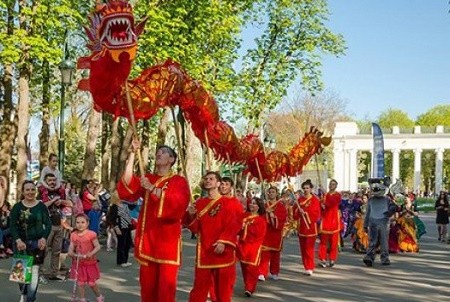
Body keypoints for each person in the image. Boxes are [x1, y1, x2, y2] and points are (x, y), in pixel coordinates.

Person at [117, 139, 190, 302]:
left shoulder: (178, 181)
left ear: (171, 160)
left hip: (168, 243)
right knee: (147, 287)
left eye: (163, 152)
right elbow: (127, 187)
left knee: (166, 289)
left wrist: (152, 188)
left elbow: (177, 205)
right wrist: (132, 154)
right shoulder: (148, 177)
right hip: (148, 240)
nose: (159, 153)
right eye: (158, 151)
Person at [183, 171, 241, 302]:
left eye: (211, 179)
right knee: (199, 287)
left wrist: (223, 241)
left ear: (218, 183)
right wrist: (191, 215)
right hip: (204, 251)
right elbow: (195, 228)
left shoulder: (230, 203)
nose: (207, 181)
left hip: (223, 250)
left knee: (223, 289)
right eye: (206, 179)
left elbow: (233, 225)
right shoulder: (199, 203)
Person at [10, 180, 52, 302]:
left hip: (36, 243)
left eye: (32, 189)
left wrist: (44, 238)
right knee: (20, 276)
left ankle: (30, 299)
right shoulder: (17, 207)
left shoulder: (41, 206)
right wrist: (17, 240)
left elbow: (48, 224)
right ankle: (23, 294)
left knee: (34, 271)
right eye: (27, 189)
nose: (30, 192)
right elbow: (12, 226)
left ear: (36, 191)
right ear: (23, 192)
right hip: (20, 244)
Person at [38, 173, 70, 281]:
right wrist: (52, 201)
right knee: (44, 250)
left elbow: (70, 203)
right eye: (50, 180)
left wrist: (62, 201)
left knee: (57, 250)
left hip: (58, 224)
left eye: (53, 180)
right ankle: (39, 272)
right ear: (45, 181)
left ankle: (54, 273)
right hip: (47, 225)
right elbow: (41, 206)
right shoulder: (41, 192)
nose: (52, 182)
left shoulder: (59, 192)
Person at [68, 213, 104, 302]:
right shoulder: (73, 235)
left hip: (90, 262)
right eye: (78, 222)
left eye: (83, 222)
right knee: (80, 282)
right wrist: (70, 252)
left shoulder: (91, 234)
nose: (80, 224)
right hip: (79, 262)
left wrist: (91, 253)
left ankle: (99, 296)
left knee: (91, 283)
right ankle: (82, 299)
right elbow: (71, 246)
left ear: (87, 223)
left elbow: (98, 246)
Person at [363, 178, 398, 267]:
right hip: (376, 222)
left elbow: (394, 208)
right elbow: (368, 212)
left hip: (382, 222)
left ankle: (383, 257)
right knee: (375, 241)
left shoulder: (387, 199)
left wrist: (391, 210)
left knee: (382, 241)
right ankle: (371, 257)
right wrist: (365, 225)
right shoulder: (372, 200)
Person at [237, 197, 266, 297]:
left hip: (254, 246)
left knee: (252, 268)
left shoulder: (261, 220)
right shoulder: (244, 216)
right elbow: (237, 228)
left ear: (259, 207)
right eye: (251, 203)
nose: (252, 205)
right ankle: (247, 285)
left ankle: (250, 288)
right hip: (242, 245)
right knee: (244, 267)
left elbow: (259, 234)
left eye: (254, 204)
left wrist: (247, 226)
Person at [258, 186, 287, 281]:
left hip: (276, 233)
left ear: (276, 194)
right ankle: (262, 272)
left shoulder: (281, 206)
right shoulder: (264, 206)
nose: (271, 193)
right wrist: (265, 213)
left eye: (273, 192)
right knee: (264, 254)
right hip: (266, 232)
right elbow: (258, 217)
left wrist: (273, 216)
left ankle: (274, 272)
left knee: (275, 254)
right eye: (269, 192)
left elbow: (282, 218)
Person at [293, 179, 321, 276]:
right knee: (303, 248)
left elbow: (316, 214)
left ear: (311, 189)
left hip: (311, 227)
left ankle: (310, 266)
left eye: (307, 188)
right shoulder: (299, 200)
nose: (306, 190)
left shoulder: (315, 200)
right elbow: (294, 215)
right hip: (301, 228)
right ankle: (306, 266)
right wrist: (297, 210)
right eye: (304, 188)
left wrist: (306, 213)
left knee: (309, 248)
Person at [318, 179, 341, 268]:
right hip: (325, 220)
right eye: (330, 184)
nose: (331, 185)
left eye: (333, 184)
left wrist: (325, 194)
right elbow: (322, 205)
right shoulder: (325, 195)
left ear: (336, 186)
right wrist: (322, 205)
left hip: (334, 221)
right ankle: (322, 259)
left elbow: (332, 203)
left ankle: (332, 259)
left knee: (334, 243)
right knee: (323, 242)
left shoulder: (337, 195)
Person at [108, 192, 133, 267]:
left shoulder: (125, 205)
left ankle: (125, 260)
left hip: (127, 226)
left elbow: (128, 213)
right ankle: (121, 261)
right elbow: (112, 218)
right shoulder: (114, 206)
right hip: (120, 227)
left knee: (127, 244)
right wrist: (116, 227)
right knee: (121, 244)